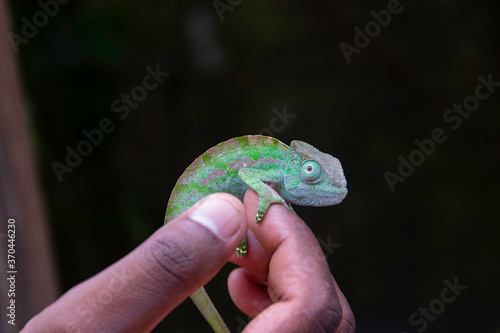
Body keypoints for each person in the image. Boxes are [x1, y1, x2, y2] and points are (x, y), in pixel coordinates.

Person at [22, 189, 355, 332]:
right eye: (310, 174)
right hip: (193, 209)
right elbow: (257, 187)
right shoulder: (272, 164)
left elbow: (262, 196)